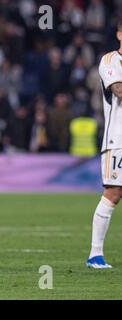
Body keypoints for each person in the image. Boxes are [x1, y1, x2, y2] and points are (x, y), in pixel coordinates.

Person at [87, 20, 122, 269]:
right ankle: (95, 255)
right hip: (117, 140)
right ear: (119, 34)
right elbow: (118, 89)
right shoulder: (110, 61)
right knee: (113, 192)